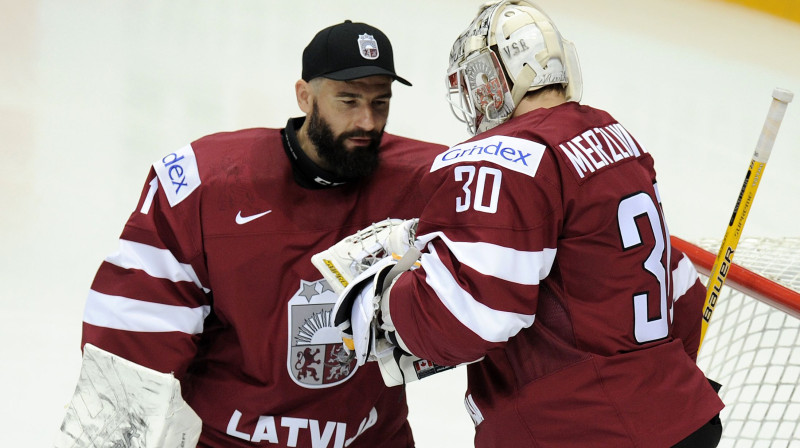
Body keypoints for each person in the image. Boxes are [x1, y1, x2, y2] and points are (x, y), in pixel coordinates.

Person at [325, 2, 725, 447]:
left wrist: (383, 301)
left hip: (576, 431)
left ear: (497, 79)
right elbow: (684, 294)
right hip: (684, 420)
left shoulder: (505, 155)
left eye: (478, 79)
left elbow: (475, 315)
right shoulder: (614, 137)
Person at [55, 20, 445, 448]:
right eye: (348, 100)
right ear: (305, 96)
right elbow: (133, 336)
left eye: (380, 103)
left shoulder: (430, 181)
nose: (367, 121)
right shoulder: (208, 183)